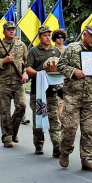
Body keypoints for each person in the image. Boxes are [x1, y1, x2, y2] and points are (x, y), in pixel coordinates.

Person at [56, 24, 92, 172]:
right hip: (72, 96)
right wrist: (73, 71)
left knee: (89, 130)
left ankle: (88, 159)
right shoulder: (72, 49)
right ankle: (65, 152)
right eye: (91, 36)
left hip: (90, 98)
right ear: (84, 34)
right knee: (70, 128)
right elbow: (60, 65)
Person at [0, 20, 29, 148]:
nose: (12, 31)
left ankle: (13, 131)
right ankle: (7, 137)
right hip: (3, 83)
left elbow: (27, 63)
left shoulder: (21, 45)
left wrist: (25, 73)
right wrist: (4, 60)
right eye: (9, 29)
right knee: (4, 112)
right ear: (4, 31)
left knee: (21, 106)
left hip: (18, 82)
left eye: (13, 29)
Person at [25, 25, 63, 157]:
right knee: (39, 119)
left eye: (49, 35)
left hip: (52, 91)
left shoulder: (56, 51)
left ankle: (57, 146)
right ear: (40, 37)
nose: (48, 37)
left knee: (54, 120)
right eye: (45, 35)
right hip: (38, 91)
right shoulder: (34, 51)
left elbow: (61, 67)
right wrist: (39, 74)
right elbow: (28, 69)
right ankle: (39, 143)